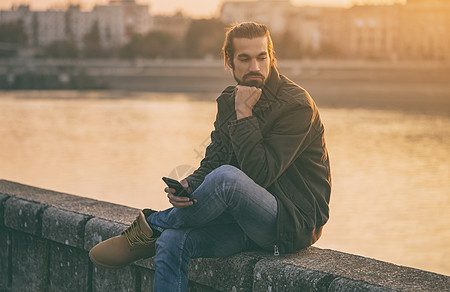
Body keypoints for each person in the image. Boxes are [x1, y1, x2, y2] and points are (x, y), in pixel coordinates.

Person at [89, 22, 331, 291]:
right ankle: (157, 233)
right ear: (229, 61)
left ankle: (151, 225)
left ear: (271, 57)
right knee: (170, 242)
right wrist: (189, 187)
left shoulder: (296, 105)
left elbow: (260, 175)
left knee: (227, 178)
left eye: (262, 57)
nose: (255, 67)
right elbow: (214, 159)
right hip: (240, 223)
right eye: (245, 58)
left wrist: (244, 116)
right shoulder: (231, 100)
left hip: (288, 224)